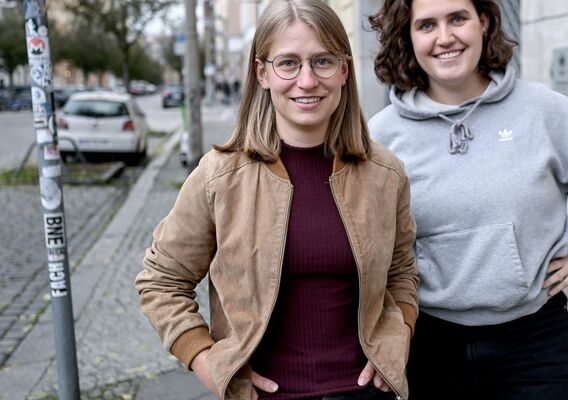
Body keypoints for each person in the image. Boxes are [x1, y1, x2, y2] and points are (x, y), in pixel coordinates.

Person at [135, 1, 419, 399]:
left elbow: (403, 271)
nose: (306, 81)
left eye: (322, 61)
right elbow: (161, 280)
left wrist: (398, 336)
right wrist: (207, 362)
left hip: (368, 392)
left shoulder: (384, 174)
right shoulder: (220, 177)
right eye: (288, 63)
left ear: (343, 70)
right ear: (262, 73)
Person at [368, 0, 568, 398]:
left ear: (482, 22)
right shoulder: (382, 136)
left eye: (458, 19)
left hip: (534, 344)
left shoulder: (543, 110)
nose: (445, 38)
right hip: (428, 344)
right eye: (426, 25)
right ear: (408, 37)